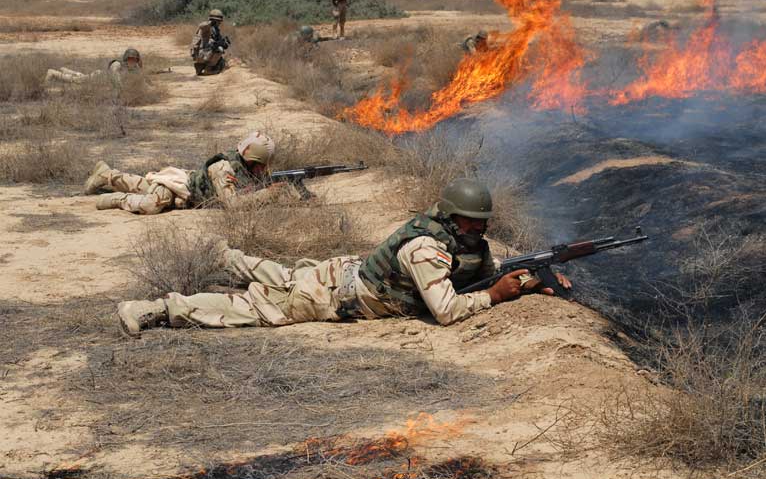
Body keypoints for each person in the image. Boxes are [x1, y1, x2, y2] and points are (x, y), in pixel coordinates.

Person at [115, 178, 572, 336]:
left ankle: (227, 256)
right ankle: (157, 309)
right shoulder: (427, 247)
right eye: (473, 222)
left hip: (344, 274)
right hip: (334, 298)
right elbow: (450, 310)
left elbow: (484, 274)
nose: (481, 229)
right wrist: (495, 296)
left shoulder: (466, 243)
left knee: (286, 274)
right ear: (452, 218)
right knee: (256, 307)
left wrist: (533, 282)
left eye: (483, 222)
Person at [83, 131, 277, 215]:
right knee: (151, 204)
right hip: (180, 186)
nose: (263, 170)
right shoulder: (223, 169)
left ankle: (106, 174)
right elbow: (233, 205)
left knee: (145, 184)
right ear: (253, 159)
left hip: (184, 191)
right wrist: (269, 194)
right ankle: (115, 199)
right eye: (261, 165)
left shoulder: (243, 168)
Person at [45, 48, 143, 84]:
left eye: (134, 59)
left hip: (99, 78)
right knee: (76, 81)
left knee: (81, 77)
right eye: (130, 59)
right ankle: (53, 73)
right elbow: (115, 75)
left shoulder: (134, 67)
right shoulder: (117, 64)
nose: (132, 61)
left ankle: (65, 70)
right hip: (98, 78)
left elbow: (141, 77)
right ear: (126, 58)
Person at [191, 9, 230, 76]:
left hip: (200, 54)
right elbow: (201, 25)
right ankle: (208, 69)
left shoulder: (215, 30)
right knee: (219, 50)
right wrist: (211, 23)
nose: (219, 23)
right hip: (201, 54)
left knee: (220, 55)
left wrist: (224, 43)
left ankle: (200, 66)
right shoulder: (206, 28)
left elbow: (217, 41)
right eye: (218, 21)